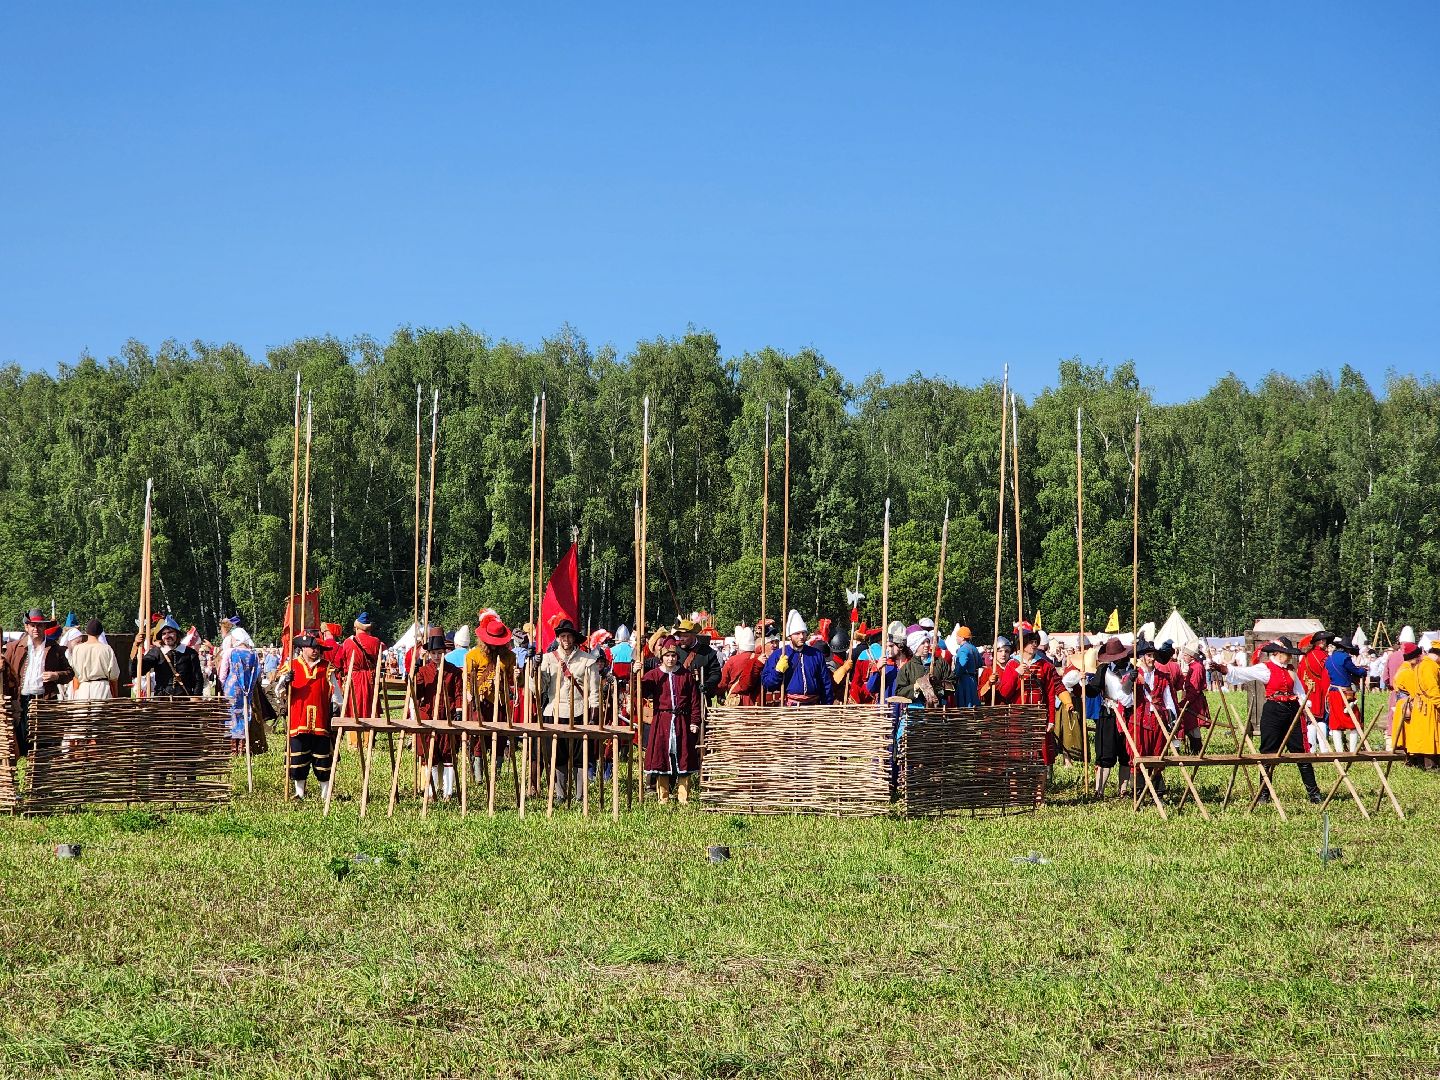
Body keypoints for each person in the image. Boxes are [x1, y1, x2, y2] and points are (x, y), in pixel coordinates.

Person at [1225, 637, 1323, 803]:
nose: (1290, 657)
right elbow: (1244, 673)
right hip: (1273, 712)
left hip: (1292, 711)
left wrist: (1305, 707)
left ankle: (1314, 794)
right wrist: (1223, 668)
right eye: (1287, 654)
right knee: (1269, 752)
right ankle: (1264, 794)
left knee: (1301, 752)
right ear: (1277, 654)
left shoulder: (1291, 670)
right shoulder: (1265, 668)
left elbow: (1299, 692)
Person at [540, 618, 601, 799]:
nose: (565, 639)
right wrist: (534, 669)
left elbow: (594, 689)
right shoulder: (548, 659)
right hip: (554, 710)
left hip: (580, 711)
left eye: (568, 636)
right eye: (562, 636)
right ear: (558, 638)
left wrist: (594, 711)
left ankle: (580, 795)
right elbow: (538, 688)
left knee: (580, 756)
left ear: (574, 638)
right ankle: (560, 794)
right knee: (557, 755)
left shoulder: (588, 660)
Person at [3, 609, 73, 761]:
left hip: (45, 699)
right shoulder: (14, 648)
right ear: (26, 627)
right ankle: (23, 771)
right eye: (32, 625)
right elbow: (5, 670)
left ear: (44, 627)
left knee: (43, 741)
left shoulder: (54, 648)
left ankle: (40, 773)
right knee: (21, 738)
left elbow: (70, 673)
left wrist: (56, 675)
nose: (36, 629)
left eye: (39, 626)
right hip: (21, 701)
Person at [274, 633, 337, 800]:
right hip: (298, 719)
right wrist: (286, 681)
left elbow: (336, 695)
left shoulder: (327, 667)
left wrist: (336, 712)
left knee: (322, 760)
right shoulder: (291, 666)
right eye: (312, 647)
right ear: (302, 648)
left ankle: (325, 793)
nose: (315, 650)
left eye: (317, 648)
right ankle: (299, 793)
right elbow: (278, 692)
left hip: (321, 721)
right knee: (298, 758)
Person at [641, 637, 702, 803]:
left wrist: (695, 721)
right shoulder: (654, 675)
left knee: (684, 757)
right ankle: (664, 797)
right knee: (662, 758)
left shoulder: (685, 675)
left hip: (682, 720)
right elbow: (641, 691)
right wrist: (636, 674)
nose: (670, 659)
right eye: (667, 655)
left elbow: (694, 700)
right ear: (662, 657)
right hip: (662, 720)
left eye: (673, 656)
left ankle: (684, 798)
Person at [413, 626, 463, 800]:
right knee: (430, 755)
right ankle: (431, 791)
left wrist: (459, 710)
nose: (437, 656)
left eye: (440, 652)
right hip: (428, 716)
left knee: (448, 753)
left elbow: (458, 693)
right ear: (429, 653)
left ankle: (448, 792)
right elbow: (417, 693)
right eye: (434, 653)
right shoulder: (423, 671)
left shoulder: (454, 671)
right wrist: (415, 672)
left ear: (444, 652)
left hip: (447, 716)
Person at [760, 610, 833, 706]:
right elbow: (767, 684)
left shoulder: (816, 654)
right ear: (790, 636)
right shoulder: (778, 655)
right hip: (790, 707)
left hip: (813, 707)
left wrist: (826, 706)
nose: (802, 636)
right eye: (797, 633)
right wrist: (778, 671)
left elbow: (826, 683)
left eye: (803, 633)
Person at [217, 621, 261, 754]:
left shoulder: (230, 652)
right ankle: (242, 747)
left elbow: (223, 672)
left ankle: (233, 749)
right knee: (244, 714)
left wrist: (223, 685)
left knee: (231, 715)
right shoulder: (254, 654)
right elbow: (257, 673)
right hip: (247, 688)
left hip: (231, 687)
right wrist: (251, 686)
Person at [333, 613, 385, 721]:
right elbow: (383, 649)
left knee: (354, 707)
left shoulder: (348, 642)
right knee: (370, 705)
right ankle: (369, 735)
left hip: (354, 678)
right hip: (371, 678)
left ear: (356, 627)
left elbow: (342, 661)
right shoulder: (376, 641)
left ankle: (354, 735)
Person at [1324, 635, 1370, 753]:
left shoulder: (1330, 658)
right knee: (1354, 720)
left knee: (1335, 722)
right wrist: (1363, 671)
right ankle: (1353, 750)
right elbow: (1355, 671)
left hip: (1333, 693)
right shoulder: (1345, 658)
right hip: (1345, 693)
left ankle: (1339, 751)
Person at [1298, 632, 1334, 760]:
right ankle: (1323, 749)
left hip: (1307, 691)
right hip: (1320, 691)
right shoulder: (1323, 656)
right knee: (1321, 720)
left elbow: (1300, 674)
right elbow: (1327, 675)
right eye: (1324, 641)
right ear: (1321, 642)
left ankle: (1311, 748)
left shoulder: (1306, 656)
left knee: (1310, 720)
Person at [67, 619, 119, 701]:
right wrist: (115, 696)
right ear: (100, 632)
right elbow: (114, 676)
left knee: (83, 713)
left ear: (87, 632)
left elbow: (75, 674)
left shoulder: (78, 649)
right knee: (100, 714)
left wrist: (74, 694)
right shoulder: (106, 649)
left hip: (83, 689)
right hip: (101, 690)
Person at [674, 617, 722, 702]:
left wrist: (707, 685)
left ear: (693, 635)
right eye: (680, 636)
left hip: (700, 697)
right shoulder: (674, 651)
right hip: (679, 697)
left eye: (685, 636)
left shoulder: (708, 652)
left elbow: (716, 673)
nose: (681, 639)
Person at [1175, 643, 1211, 754]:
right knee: (1190, 725)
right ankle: (1195, 750)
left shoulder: (1197, 667)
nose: (1183, 657)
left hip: (1194, 702)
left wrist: (1184, 703)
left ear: (1192, 656)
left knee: (1193, 725)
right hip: (1191, 700)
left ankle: (1197, 750)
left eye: (1186, 655)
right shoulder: (1193, 667)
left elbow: (1194, 689)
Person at [717, 625, 762, 705]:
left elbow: (723, 682)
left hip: (735, 701)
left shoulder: (732, 660)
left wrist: (720, 694)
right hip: (755, 700)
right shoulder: (760, 658)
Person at [977, 636, 1020, 704]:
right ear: (994, 653)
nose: (1003, 654)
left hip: (1011, 709)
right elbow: (980, 696)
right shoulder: (988, 670)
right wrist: (989, 683)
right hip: (994, 709)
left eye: (1006, 651)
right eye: (1000, 651)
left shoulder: (1014, 669)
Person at [950, 626, 981, 707]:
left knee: (965, 704)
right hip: (973, 679)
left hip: (965, 680)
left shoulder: (963, 649)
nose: (956, 638)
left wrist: (955, 675)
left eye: (957, 636)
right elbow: (980, 663)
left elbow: (962, 665)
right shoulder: (973, 648)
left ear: (962, 638)